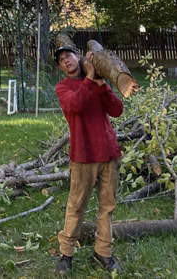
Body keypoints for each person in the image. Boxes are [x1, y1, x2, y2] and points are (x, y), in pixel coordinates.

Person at [54, 45, 124, 275]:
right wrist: (90, 78)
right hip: (83, 157)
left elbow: (116, 110)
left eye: (69, 56)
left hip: (109, 154)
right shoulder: (63, 87)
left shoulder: (97, 83)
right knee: (76, 206)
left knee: (107, 207)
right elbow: (75, 105)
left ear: (79, 57)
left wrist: (101, 83)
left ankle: (103, 253)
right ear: (61, 67)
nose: (66, 61)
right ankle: (66, 254)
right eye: (61, 60)